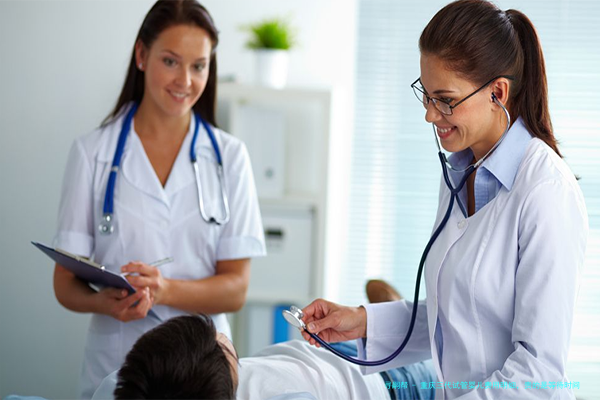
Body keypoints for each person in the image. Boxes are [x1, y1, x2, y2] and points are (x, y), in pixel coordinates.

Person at [299, 1, 589, 399]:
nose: (430, 115)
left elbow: (538, 372)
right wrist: (361, 321)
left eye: (445, 99)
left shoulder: (546, 192)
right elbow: (457, 317)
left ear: (497, 93)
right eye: (426, 94)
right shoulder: (462, 170)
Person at [52, 1, 265, 398]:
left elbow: (236, 289)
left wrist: (165, 290)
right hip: (116, 367)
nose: (185, 80)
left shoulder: (230, 157)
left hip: (204, 372)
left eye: (199, 66)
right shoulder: (92, 153)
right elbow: (64, 283)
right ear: (141, 55)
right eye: (170, 61)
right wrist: (105, 304)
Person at [90, 282, 435, 400]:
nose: (222, 337)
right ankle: (393, 314)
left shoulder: (120, 387)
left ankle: (382, 315)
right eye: (223, 347)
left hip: (320, 349)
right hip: (386, 382)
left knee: (389, 324)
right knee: (445, 367)